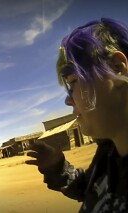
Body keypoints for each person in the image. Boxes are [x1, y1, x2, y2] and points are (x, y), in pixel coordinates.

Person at [26, 18, 128, 212]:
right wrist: (58, 167)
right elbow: (92, 191)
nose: (67, 100)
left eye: (72, 83)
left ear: (117, 67)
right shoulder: (109, 152)